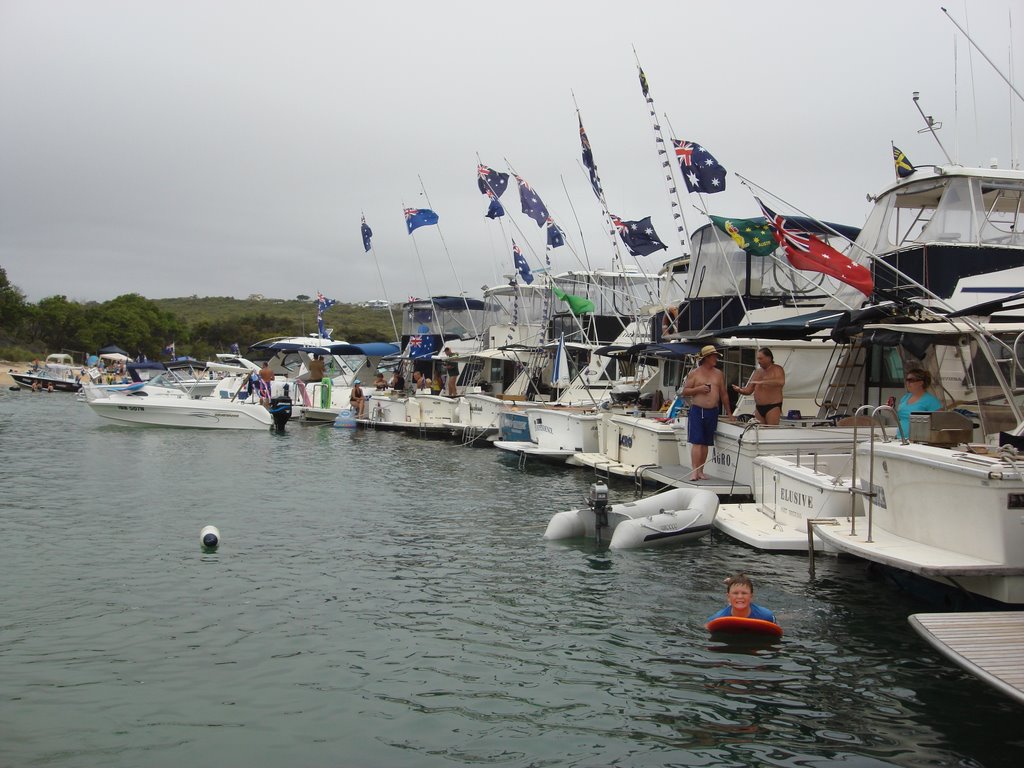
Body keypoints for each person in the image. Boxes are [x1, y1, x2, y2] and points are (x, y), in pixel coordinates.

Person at [680, 345, 730, 481]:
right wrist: (699, 389)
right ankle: (694, 471)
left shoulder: (719, 374)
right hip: (698, 410)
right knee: (697, 442)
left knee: (706, 443)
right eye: (714, 356)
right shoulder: (694, 373)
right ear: (706, 358)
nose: (716, 359)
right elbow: (685, 391)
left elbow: (724, 394)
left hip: (712, 411)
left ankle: (701, 470)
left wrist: (730, 413)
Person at [732, 347, 786, 425]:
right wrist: (740, 390)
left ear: (769, 358)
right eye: (758, 359)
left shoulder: (777, 369)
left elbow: (781, 382)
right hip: (759, 407)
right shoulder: (757, 372)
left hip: (773, 406)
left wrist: (763, 382)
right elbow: (749, 390)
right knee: (760, 431)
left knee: (771, 431)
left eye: (761, 359)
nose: (759, 361)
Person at [707, 573, 777, 624]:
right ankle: (732, 583)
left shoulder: (766, 616)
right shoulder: (717, 619)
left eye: (744, 593)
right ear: (728, 597)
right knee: (735, 602)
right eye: (735, 593)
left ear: (751, 597)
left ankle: (733, 584)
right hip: (729, 609)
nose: (740, 596)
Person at [896, 367, 942, 438]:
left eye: (911, 380)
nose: (907, 383)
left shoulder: (931, 401)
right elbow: (900, 418)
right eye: (906, 380)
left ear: (921, 382)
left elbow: (939, 423)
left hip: (918, 441)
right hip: (900, 439)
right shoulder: (905, 398)